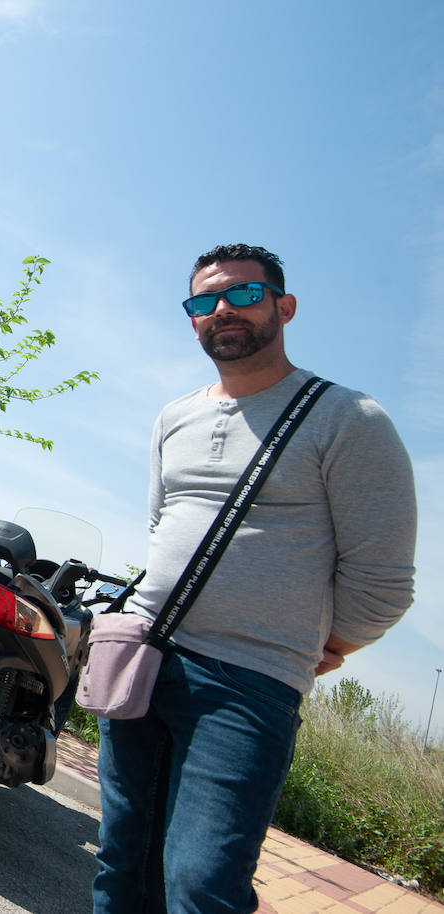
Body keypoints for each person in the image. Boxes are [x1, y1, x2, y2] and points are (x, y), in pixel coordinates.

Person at [91, 244, 417, 914]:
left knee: (200, 886)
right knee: (123, 863)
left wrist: (325, 642)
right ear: (191, 320)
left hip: (249, 682)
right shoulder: (173, 417)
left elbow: (383, 580)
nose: (221, 310)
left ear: (283, 306)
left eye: (242, 294)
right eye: (203, 301)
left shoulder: (349, 419)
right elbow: (162, 528)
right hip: (144, 657)